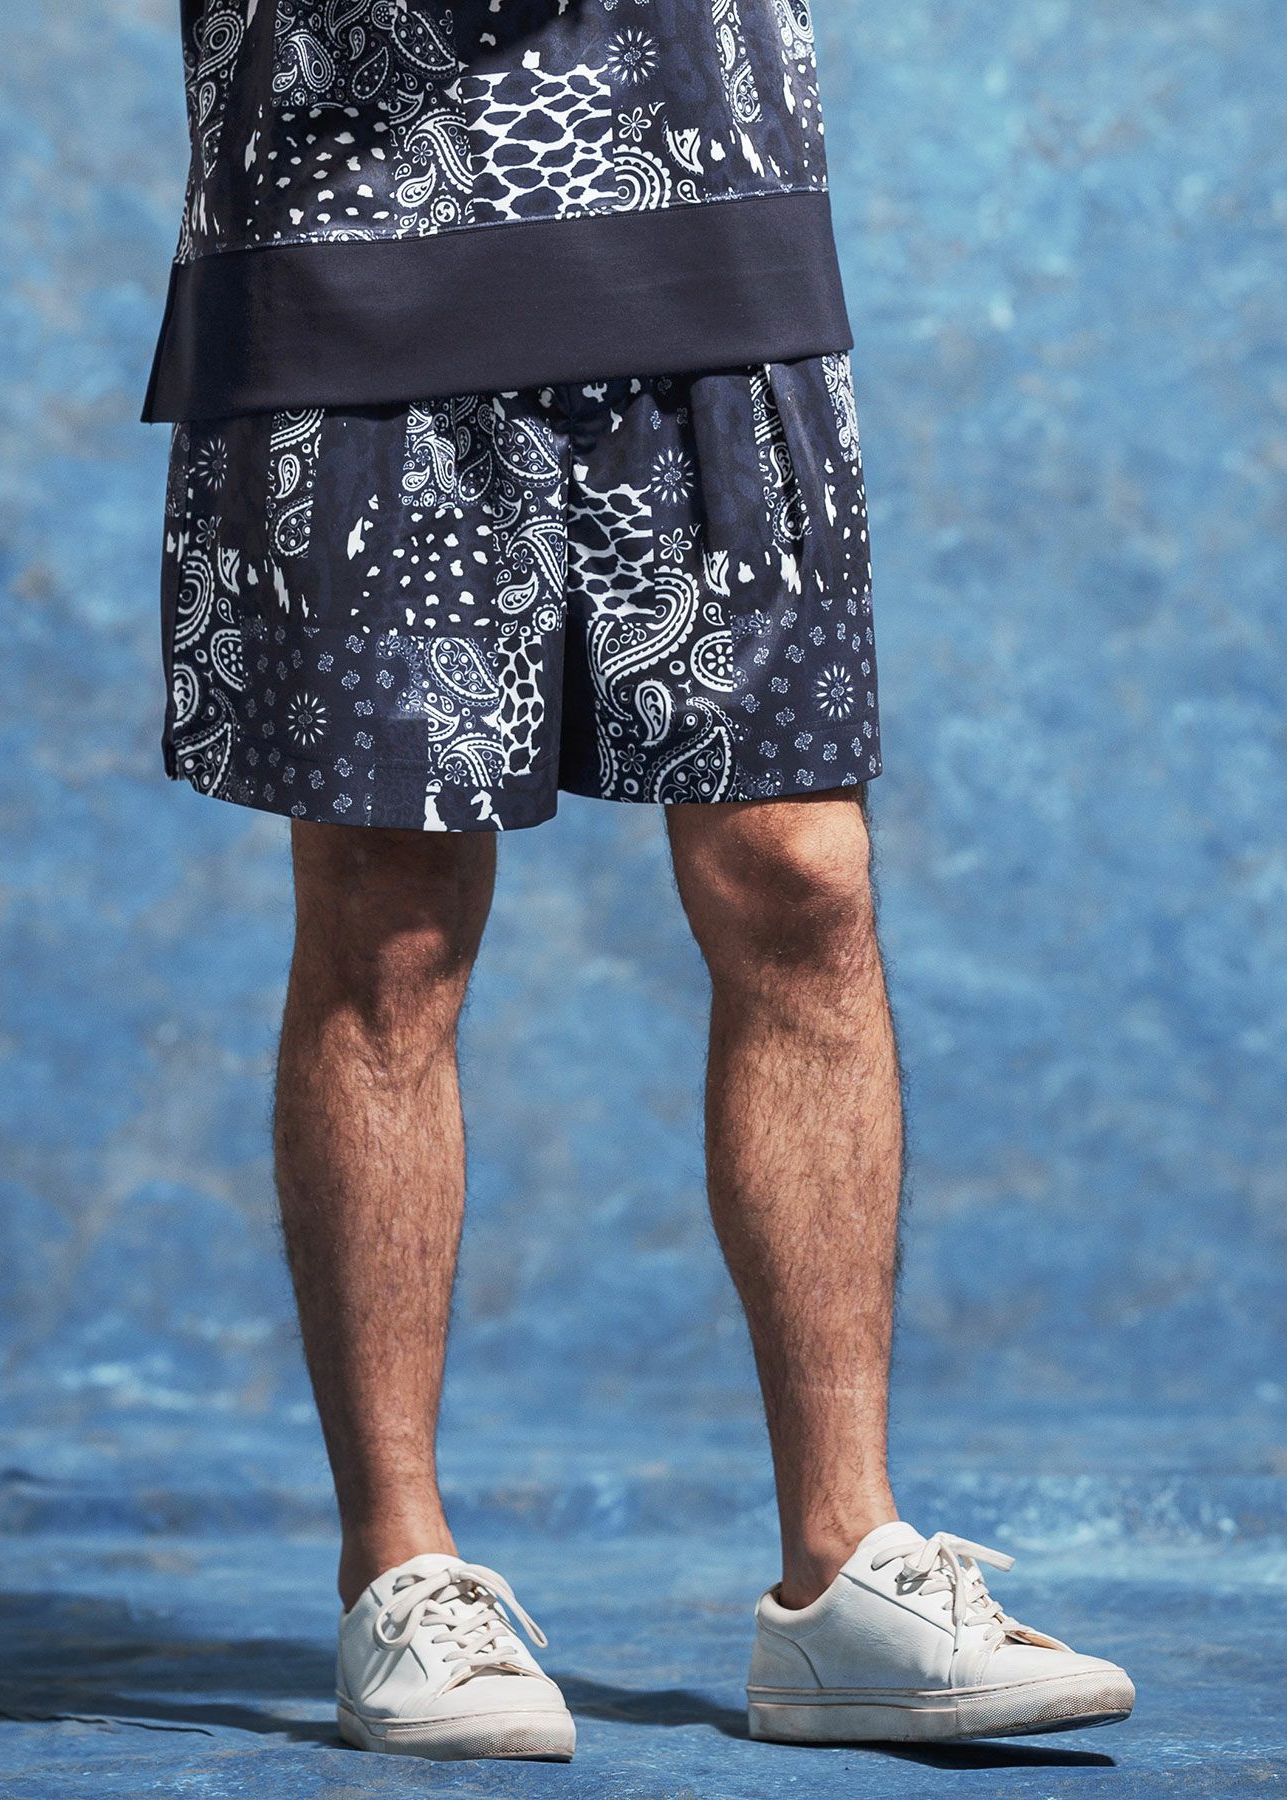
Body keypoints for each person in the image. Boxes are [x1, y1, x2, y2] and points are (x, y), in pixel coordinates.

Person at [142, 0, 1135, 1762]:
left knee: (801, 878)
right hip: (357, 211)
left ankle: (843, 1574)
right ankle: (400, 1570)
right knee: (390, 919)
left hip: (703, 192)